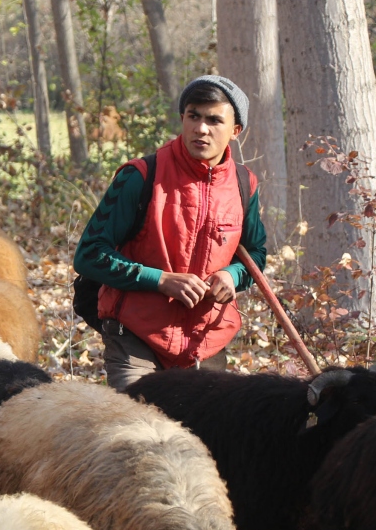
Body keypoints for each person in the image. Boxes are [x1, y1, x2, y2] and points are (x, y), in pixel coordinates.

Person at [73, 76, 267, 391]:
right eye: (194, 116)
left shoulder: (245, 185)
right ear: (182, 119)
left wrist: (233, 275)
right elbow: (89, 255)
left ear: (235, 131)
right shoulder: (141, 176)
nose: (201, 128)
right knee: (138, 428)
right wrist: (161, 280)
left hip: (207, 342)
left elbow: (256, 256)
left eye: (214, 120)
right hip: (135, 335)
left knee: (207, 437)